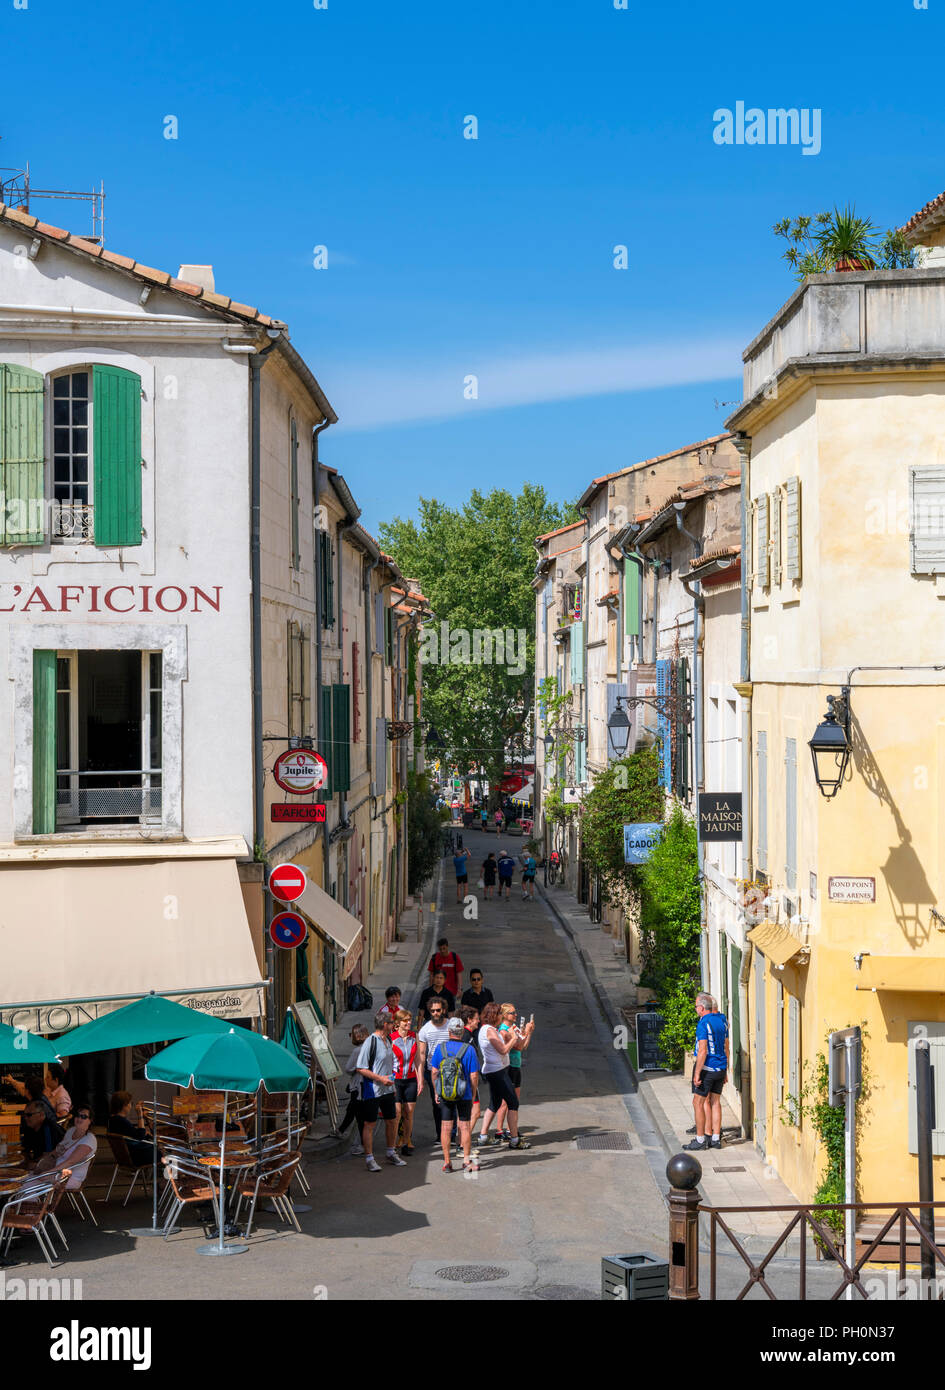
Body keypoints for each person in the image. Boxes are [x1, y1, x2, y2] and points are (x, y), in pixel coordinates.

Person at [476, 1002, 534, 1150]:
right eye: (500, 1015)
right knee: (513, 1102)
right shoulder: (490, 1031)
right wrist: (514, 1038)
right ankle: (514, 1139)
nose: (502, 1017)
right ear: (494, 1016)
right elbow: (503, 1050)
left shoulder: (488, 1029)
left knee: (494, 1103)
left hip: (495, 1070)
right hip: (497, 1071)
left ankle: (483, 1136)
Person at [355, 1012, 407, 1172]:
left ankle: (391, 1152)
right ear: (385, 1025)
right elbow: (360, 1068)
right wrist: (380, 1079)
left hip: (388, 1089)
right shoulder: (370, 1042)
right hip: (373, 1090)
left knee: (391, 1120)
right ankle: (369, 1158)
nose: (394, 1025)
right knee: (370, 1123)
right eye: (392, 1023)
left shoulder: (388, 1039)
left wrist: (390, 1082)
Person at [430, 1017, 480, 1172]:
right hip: (463, 1093)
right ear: (462, 1031)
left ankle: (446, 1162)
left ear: (449, 1031)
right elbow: (473, 1076)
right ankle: (466, 1161)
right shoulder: (469, 1049)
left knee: (445, 1127)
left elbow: (434, 1072)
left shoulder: (441, 1048)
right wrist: (472, 1094)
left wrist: (436, 1091)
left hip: (445, 1092)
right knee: (464, 1126)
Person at [684, 992, 730, 1152]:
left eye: (696, 1006)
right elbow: (726, 1047)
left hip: (708, 1068)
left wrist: (697, 1073)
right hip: (720, 1067)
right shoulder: (722, 1021)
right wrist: (725, 1070)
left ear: (702, 1008)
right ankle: (716, 1139)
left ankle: (700, 1139)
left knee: (698, 1103)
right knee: (716, 1102)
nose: (696, 1009)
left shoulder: (703, 1024)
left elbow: (702, 1051)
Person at [494, 1003, 534, 1138]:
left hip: (516, 1066)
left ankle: (510, 1129)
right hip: (509, 1066)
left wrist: (529, 1033)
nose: (515, 1014)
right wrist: (526, 1032)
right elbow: (517, 1047)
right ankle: (499, 1130)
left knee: (515, 1100)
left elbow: (524, 1045)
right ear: (505, 1015)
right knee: (506, 1101)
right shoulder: (504, 1029)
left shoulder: (513, 1028)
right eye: (512, 1013)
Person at [35, 1104, 97, 1190]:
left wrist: (48, 1172)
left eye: (83, 1116)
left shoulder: (89, 1139)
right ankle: (29, 1202)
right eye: (77, 1115)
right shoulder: (71, 1131)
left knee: (33, 1182)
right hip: (56, 1171)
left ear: (90, 1120)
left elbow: (70, 1162)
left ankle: (30, 1202)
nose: (79, 1118)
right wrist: (41, 1162)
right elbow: (57, 1151)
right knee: (29, 1177)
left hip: (70, 1178)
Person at [417, 999, 452, 1140]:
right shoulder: (425, 1030)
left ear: (443, 1010)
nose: (436, 1013)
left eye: (438, 1010)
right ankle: (440, 1135)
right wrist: (420, 1077)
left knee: (452, 1101)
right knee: (437, 1104)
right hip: (433, 1072)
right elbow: (421, 1054)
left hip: (451, 1071)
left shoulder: (451, 1025)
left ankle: (452, 1135)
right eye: (433, 1011)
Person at [391, 1008, 422, 1155]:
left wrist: (420, 1080)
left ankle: (406, 1141)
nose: (409, 1022)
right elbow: (387, 1062)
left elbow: (418, 1060)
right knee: (397, 1113)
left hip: (411, 1080)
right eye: (405, 1020)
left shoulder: (414, 1036)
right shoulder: (391, 1038)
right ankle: (395, 1141)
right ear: (397, 1023)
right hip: (396, 1080)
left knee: (409, 1113)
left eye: (410, 1020)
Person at [337, 1023, 370, 1151]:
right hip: (367, 1084)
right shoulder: (370, 1046)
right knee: (353, 1110)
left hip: (358, 1085)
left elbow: (348, 1069)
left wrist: (357, 1068)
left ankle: (362, 1144)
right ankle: (341, 1130)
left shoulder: (358, 1050)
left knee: (359, 1115)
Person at [107, 1091, 155, 1165]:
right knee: (163, 1149)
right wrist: (140, 1115)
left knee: (155, 1143)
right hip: (137, 1156)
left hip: (126, 1157)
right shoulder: (121, 1121)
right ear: (124, 1106)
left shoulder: (113, 1120)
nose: (130, 1106)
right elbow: (140, 1135)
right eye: (130, 1103)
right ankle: (172, 1173)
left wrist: (144, 1118)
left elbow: (133, 1133)